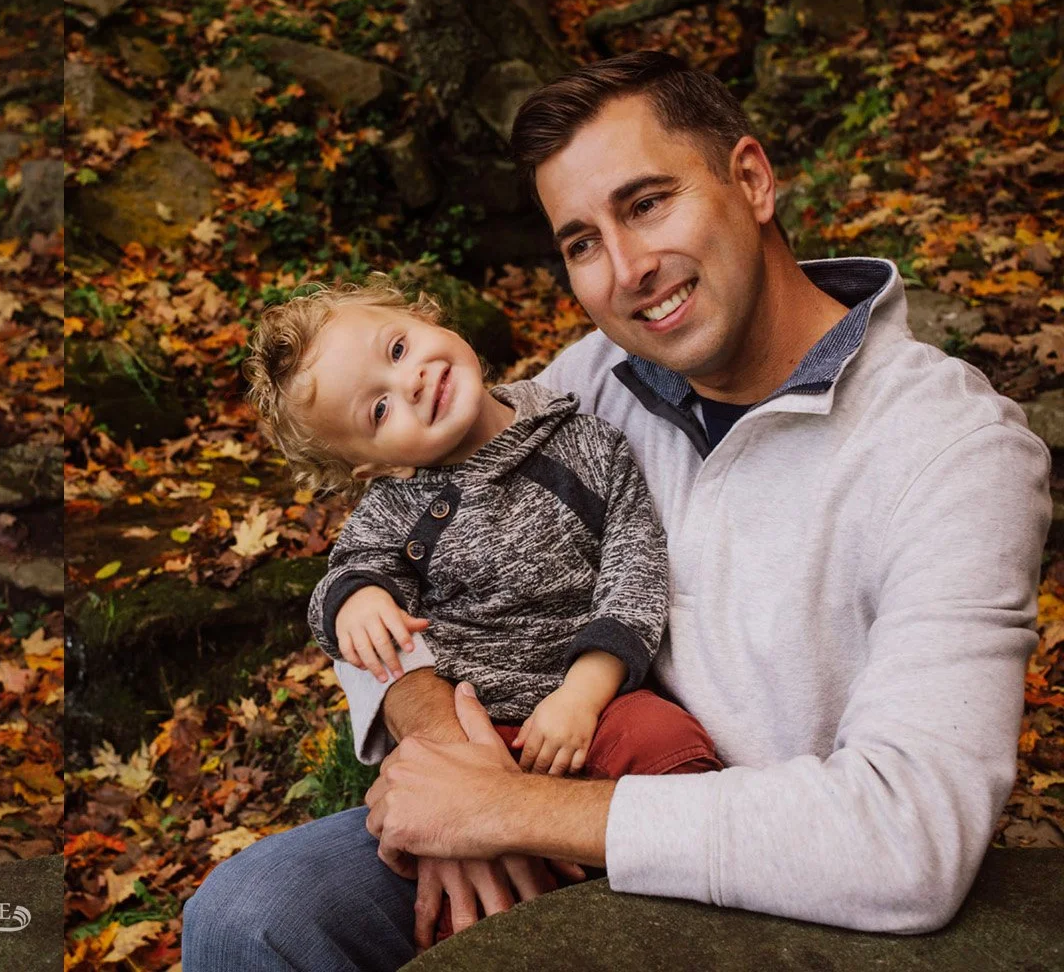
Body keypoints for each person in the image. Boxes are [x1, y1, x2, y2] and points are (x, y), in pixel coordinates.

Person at [183, 50, 1049, 970]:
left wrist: (513, 811)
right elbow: (395, 548)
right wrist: (453, 757)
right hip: (545, 771)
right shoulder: (588, 384)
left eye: (646, 203)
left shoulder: (953, 452)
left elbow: (908, 839)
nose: (627, 269)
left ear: (751, 180)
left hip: (777, 879)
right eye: (582, 242)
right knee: (250, 917)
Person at [243, 279, 719, 784]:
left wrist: (583, 694)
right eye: (379, 409)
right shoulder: (399, 504)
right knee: (414, 816)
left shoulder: (590, 447)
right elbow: (350, 572)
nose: (412, 382)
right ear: (377, 466)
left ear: (427, 318)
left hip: (592, 703)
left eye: (398, 349)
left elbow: (634, 578)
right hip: (470, 720)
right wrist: (357, 601)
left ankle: (575, 842)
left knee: (673, 750)